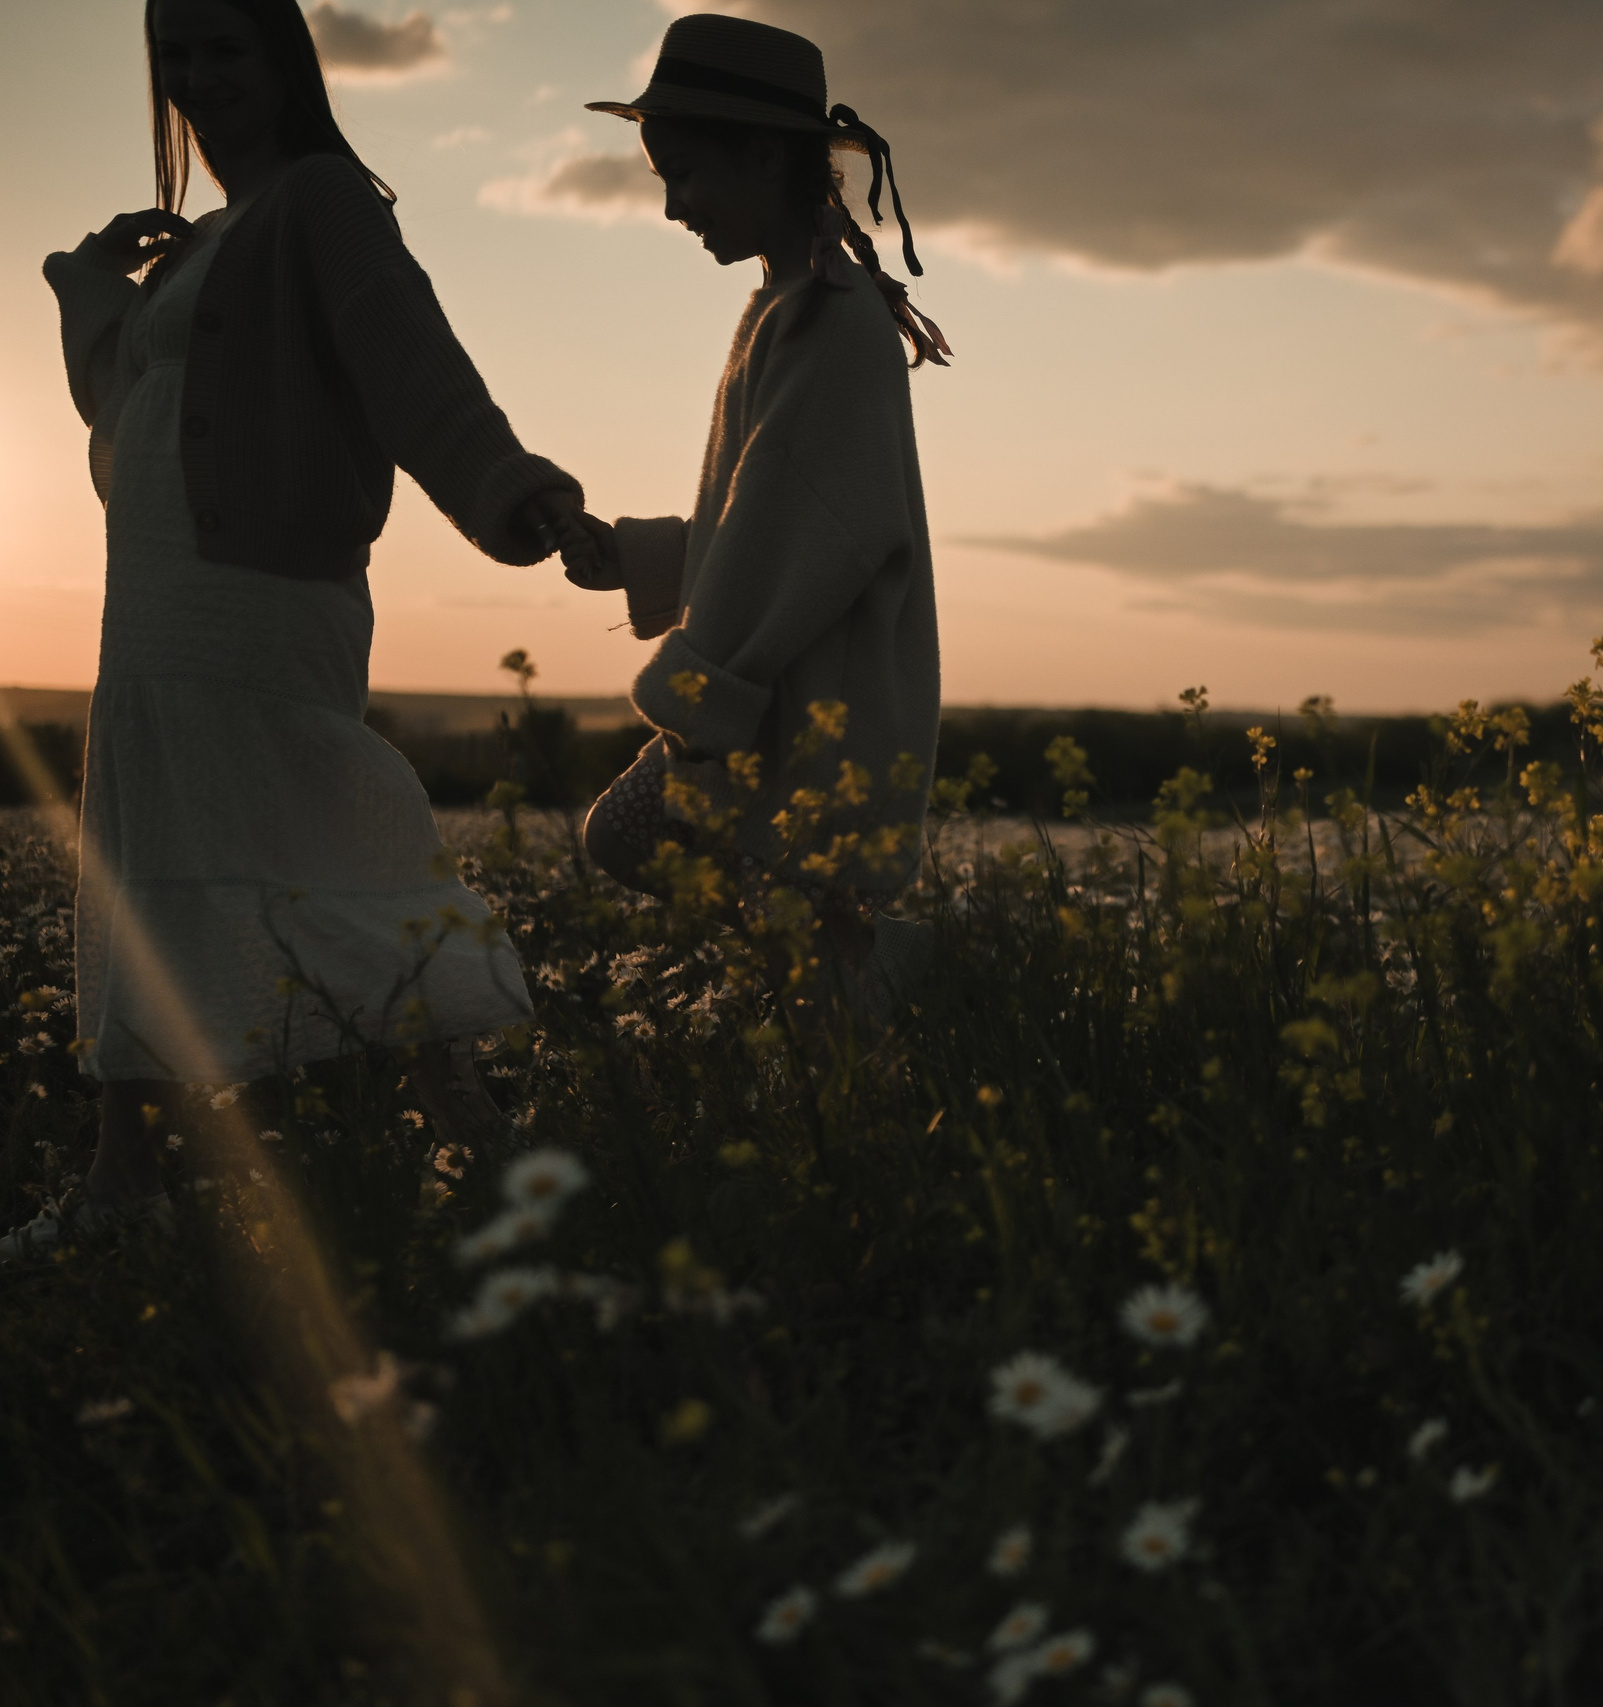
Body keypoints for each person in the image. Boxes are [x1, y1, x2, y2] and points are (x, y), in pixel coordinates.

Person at [2, 0, 593, 1260]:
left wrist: (512, 487)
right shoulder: (209, 238)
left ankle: (472, 1135)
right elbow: (126, 425)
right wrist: (95, 285)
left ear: (283, 58)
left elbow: (415, 364)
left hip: (257, 601)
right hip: (157, 607)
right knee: (152, 858)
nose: (202, 77)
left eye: (228, 47)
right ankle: (128, 1180)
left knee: (332, 833)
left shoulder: (322, 200)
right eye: (178, 55)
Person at [561, 14, 944, 1008]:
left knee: (636, 838)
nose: (673, 207)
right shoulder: (789, 300)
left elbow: (799, 534)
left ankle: (909, 975)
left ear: (766, 156)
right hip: (775, 681)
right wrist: (640, 560)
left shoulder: (828, 314)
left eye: (685, 175)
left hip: (801, 695)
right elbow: (767, 523)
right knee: (805, 951)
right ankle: (874, 1003)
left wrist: (702, 707)